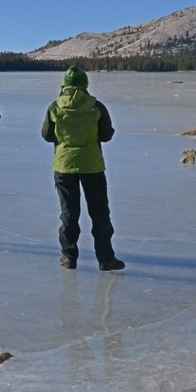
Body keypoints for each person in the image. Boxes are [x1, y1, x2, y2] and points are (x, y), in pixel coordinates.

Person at [41, 66, 125, 271]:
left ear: (65, 85)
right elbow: (106, 134)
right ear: (85, 84)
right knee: (99, 213)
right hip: (92, 165)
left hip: (64, 166)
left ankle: (69, 256)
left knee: (69, 213)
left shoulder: (55, 107)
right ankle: (105, 258)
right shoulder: (96, 106)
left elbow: (47, 135)